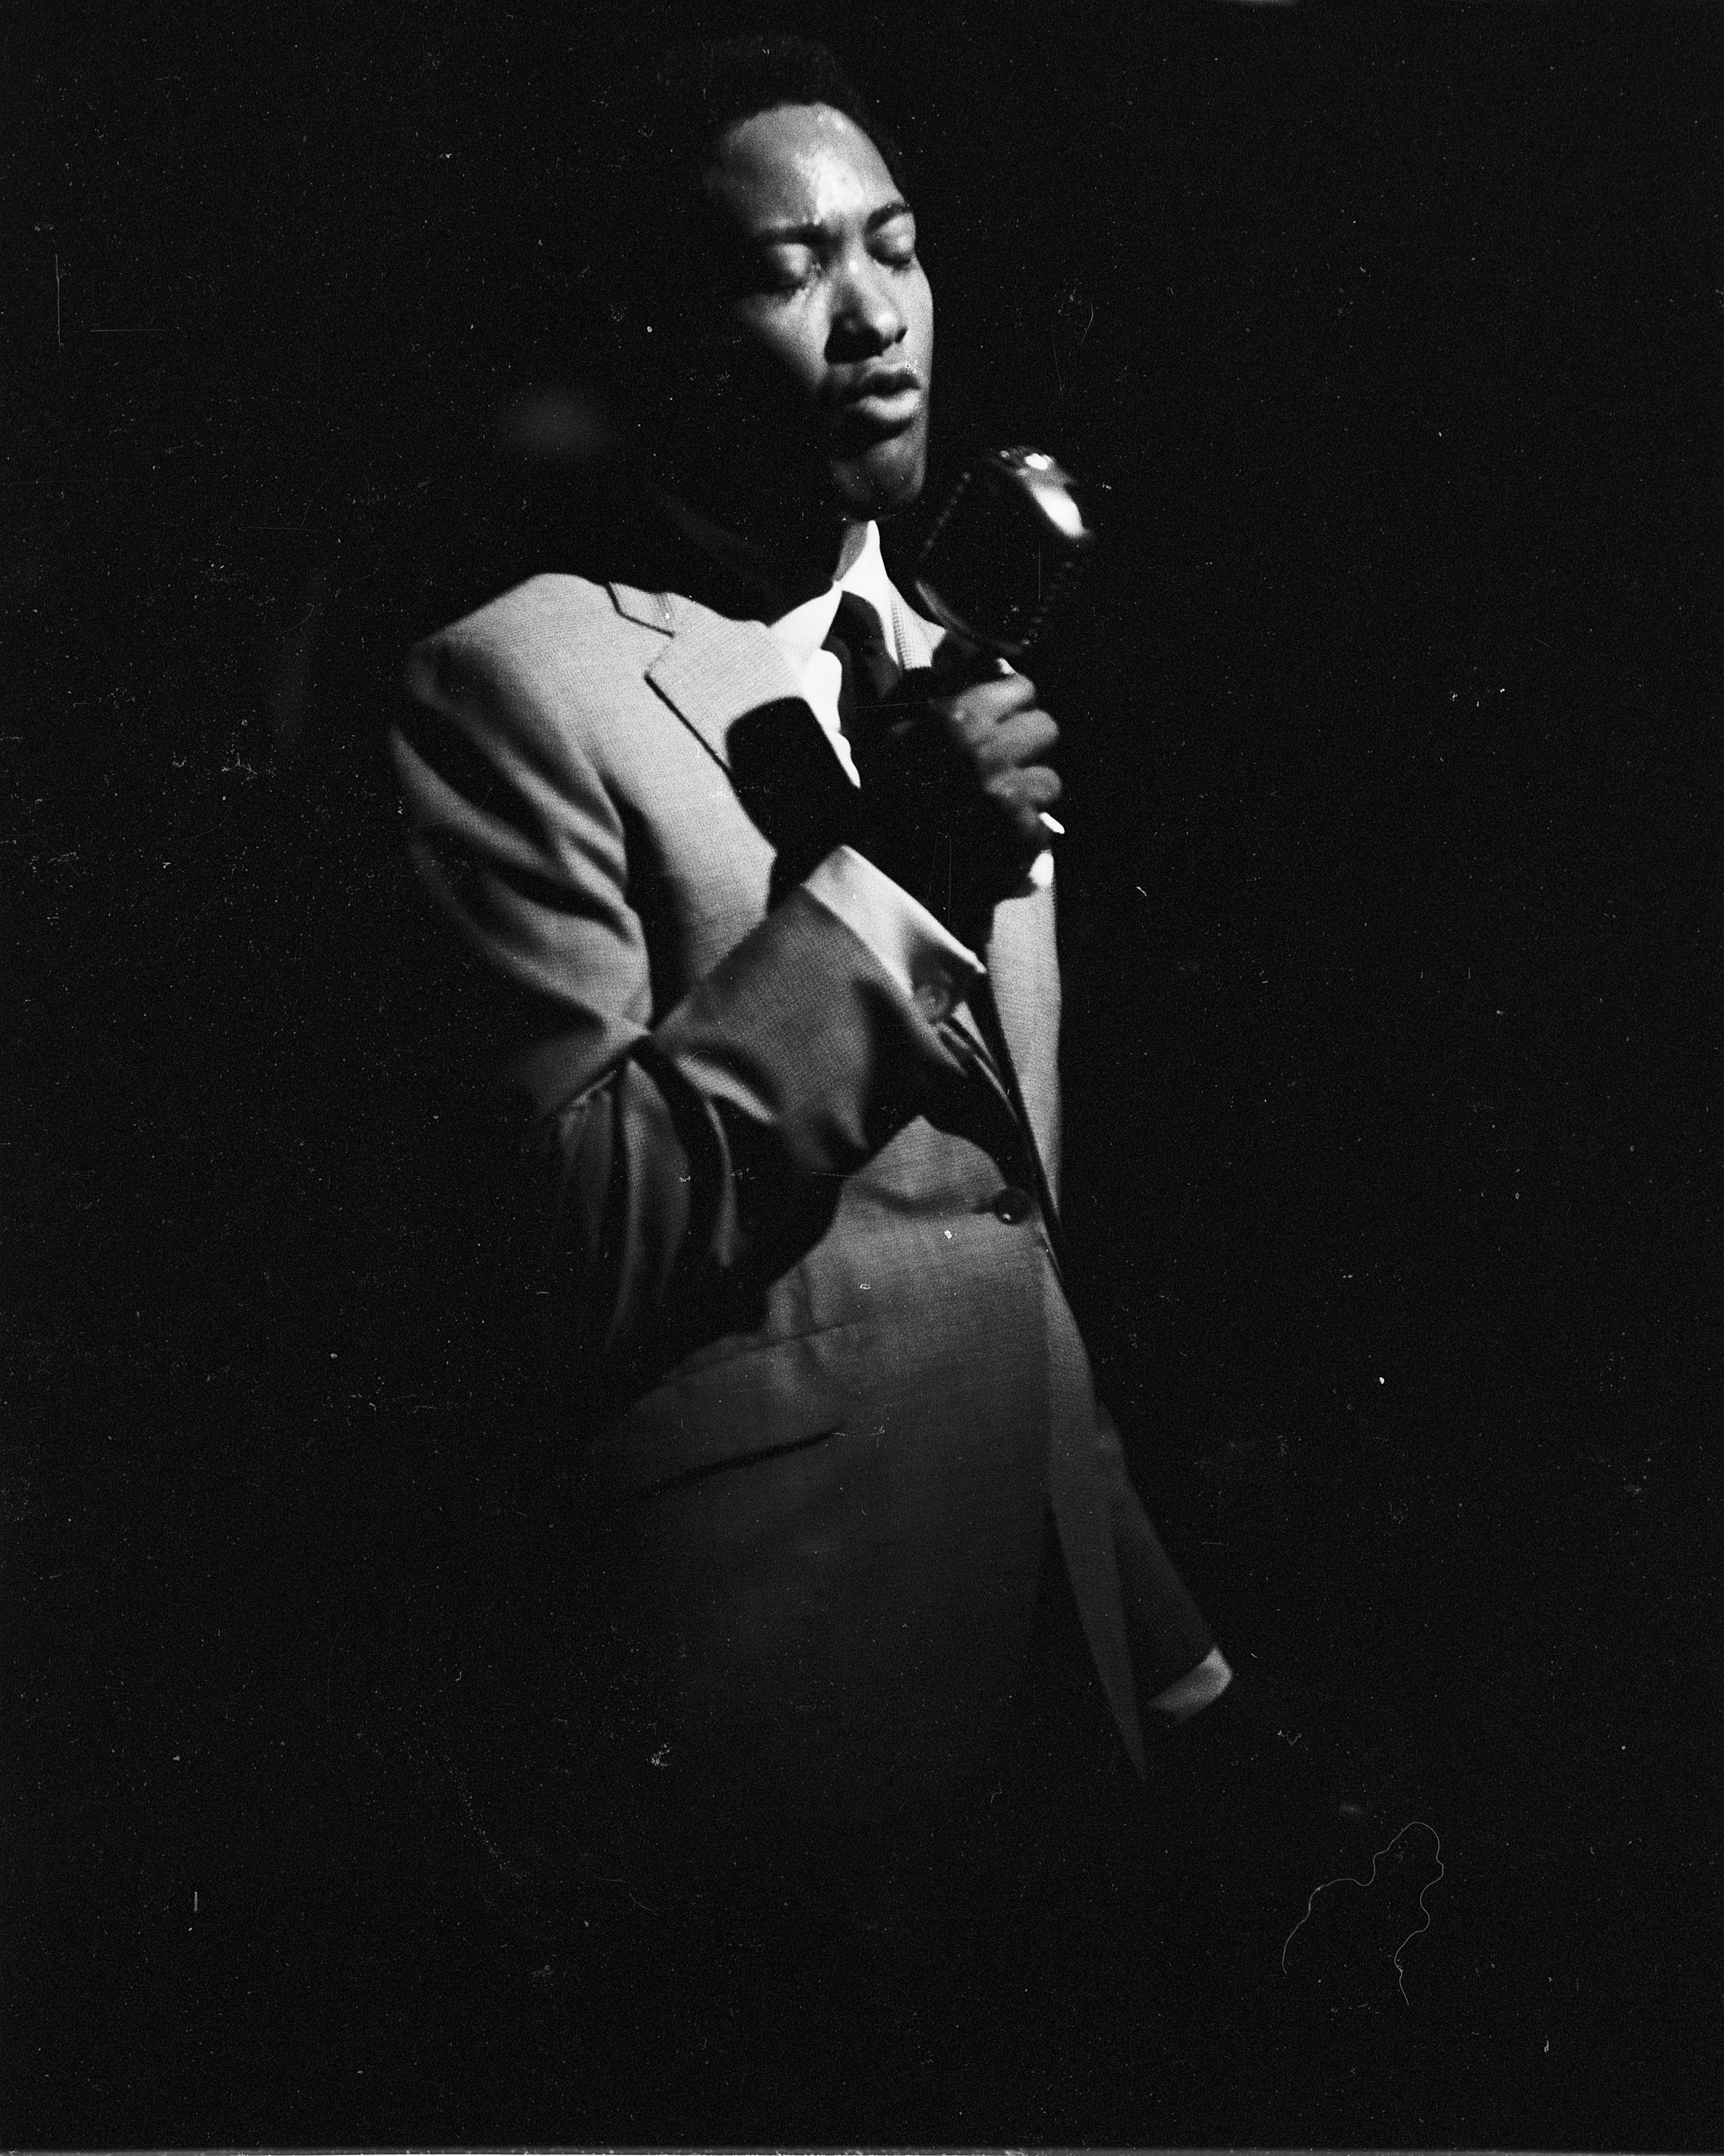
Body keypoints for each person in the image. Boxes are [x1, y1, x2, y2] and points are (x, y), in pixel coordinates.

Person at [378, 34, 1341, 2137]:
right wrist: (886, 883)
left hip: (1043, 1689)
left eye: (895, 249)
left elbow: (995, 1224)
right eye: (790, 264)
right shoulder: (511, 689)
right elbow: (559, 1244)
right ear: (659, 327)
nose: (874, 313)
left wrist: (1163, 1640)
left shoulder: (947, 669)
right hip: (747, 1744)